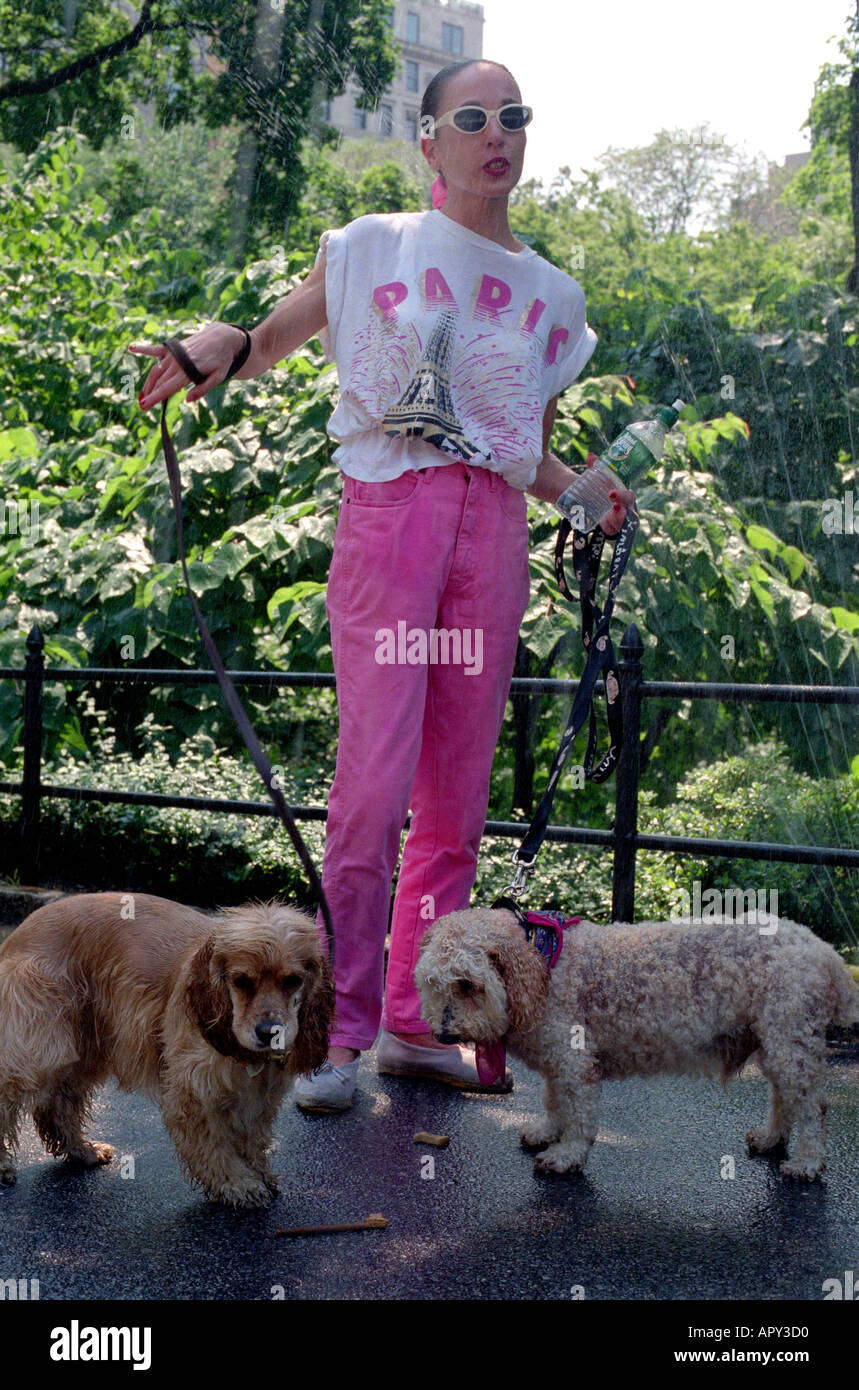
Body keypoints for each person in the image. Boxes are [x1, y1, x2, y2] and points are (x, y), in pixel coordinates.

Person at [131, 58, 634, 1113]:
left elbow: (521, 448)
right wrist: (220, 343)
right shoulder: (374, 247)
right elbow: (270, 339)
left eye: (513, 116)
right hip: (392, 518)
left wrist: (586, 496)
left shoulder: (554, 297)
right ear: (430, 142)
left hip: (488, 539)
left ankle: (419, 1020)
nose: (497, 134)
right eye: (472, 117)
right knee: (371, 789)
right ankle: (342, 1030)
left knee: (455, 798)